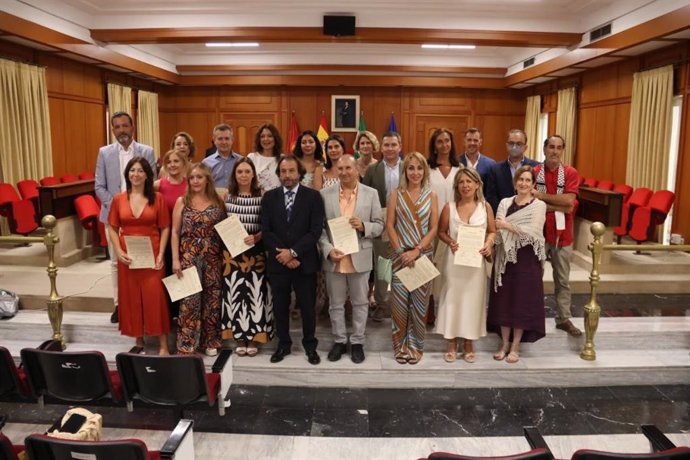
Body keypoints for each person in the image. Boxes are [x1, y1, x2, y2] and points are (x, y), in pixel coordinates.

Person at [261, 156, 325, 365]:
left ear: (299, 173)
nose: (287, 175)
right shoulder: (269, 197)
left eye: (291, 171)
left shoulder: (313, 197)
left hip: (304, 263)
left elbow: (315, 231)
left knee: (307, 307)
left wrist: (294, 253)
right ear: (279, 174)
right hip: (278, 263)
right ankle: (283, 345)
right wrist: (284, 255)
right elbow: (266, 230)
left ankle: (310, 346)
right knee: (280, 307)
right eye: (283, 171)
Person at [319, 155, 383, 363]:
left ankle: (357, 342)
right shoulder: (324, 194)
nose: (344, 172)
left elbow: (379, 225)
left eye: (348, 168)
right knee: (336, 304)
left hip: (359, 256)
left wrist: (364, 226)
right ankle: (339, 341)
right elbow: (319, 229)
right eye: (340, 168)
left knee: (360, 303)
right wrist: (328, 249)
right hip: (335, 258)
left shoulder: (371, 194)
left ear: (357, 170)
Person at [95, 112, 157, 324]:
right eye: (117, 127)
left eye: (125, 126)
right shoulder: (104, 153)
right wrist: (118, 208)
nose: (121, 130)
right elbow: (99, 186)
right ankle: (119, 304)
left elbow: (152, 182)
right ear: (112, 130)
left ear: (132, 127)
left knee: (142, 260)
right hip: (114, 216)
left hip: (142, 216)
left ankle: (140, 303)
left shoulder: (146, 151)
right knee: (116, 261)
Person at [107, 157, 170, 355]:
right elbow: (112, 227)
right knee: (132, 297)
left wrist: (161, 253)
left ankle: (163, 345)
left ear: (147, 175)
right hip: (128, 255)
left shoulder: (157, 198)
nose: (136, 174)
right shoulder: (118, 199)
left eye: (140, 171)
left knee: (155, 297)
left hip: (152, 254)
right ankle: (139, 339)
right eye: (132, 170)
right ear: (127, 174)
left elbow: (165, 227)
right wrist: (118, 250)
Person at [434, 168, 495, 363]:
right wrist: (450, 241)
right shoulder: (449, 207)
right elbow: (441, 232)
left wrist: (488, 244)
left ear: (477, 184)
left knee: (472, 301)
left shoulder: (486, 207)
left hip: (475, 264)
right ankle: (451, 342)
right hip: (454, 262)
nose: (465, 185)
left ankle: (469, 343)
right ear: (456, 186)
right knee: (452, 298)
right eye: (461, 182)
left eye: (469, 181)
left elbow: (492, 231)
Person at [488, 165, 547, 364]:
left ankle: (515, 346)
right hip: (505, 258)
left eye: (528, 180)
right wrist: (510, 227)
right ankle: (504, 344)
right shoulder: (505, 202)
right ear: (515, 183)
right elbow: (497, 226)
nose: (523, 183)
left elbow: (533, 232)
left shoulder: (539, 206)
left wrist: (507, 226)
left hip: (527, 261)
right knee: (504, 300)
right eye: (520, 179)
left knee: (521, 301)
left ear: (533, 185)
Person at [386, 151, 439, 365]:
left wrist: (416, 251)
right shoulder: (396, 194)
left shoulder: (431, 195)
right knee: (398, 306)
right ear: (405, 171)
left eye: (419, 168)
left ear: (424, 171)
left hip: (422, 256)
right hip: (400, 256)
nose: (415, 172)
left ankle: (416, 347)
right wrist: (401, 252)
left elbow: (434, 227)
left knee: (419, 307)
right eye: (411, 168)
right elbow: (390, 225)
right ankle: (400, 346)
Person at [171, 163, 225, 355]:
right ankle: (187, 343)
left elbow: (226, 228)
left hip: (213, 257)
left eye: (199, 177)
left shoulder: (218, 200)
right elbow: (175, 232)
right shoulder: (182, 201)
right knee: (189, 302)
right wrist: (175, 260)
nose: (195, 181)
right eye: (192, 177)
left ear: (207, 179)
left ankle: (210, 341)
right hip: (189, 256)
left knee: (212, 300)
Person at [221, 158, 273, 357]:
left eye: (247, 171)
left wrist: (257, 236)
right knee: (235, 296)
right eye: (239, 171)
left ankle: (254, 338)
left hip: (256, 253)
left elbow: (268, 225)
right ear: (235, 174)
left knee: (255, 295)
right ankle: (239, 337)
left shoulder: (263, 196)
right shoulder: (228, 197)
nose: (243, 175)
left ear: (253, 174)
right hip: (232, 255)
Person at [532, 135, 582, 337]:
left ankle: (563, 318)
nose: (554, 151)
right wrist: (557, 204)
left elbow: (569, 203)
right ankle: (533, 317)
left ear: (563, 151)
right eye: (551, 147)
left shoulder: (570, 173)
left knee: (563, 279)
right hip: (539, 234)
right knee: (534, 278)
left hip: (563, 235)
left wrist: (542, 198)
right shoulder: (534, 172)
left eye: (559, 147)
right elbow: (529, 203)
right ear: (544, 149)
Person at [362, 131, 403, 321]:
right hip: (381, 224)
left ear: (399, 147)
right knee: (382, 266)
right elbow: (367, 198)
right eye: (386, 145)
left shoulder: (408, 167)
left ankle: (401, 305)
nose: (390, 149)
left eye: (393, 145)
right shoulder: (373, 170)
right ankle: (381, 304)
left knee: (403, 264)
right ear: (381, 147)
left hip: (404, 224)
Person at [427, 128, 461, 326]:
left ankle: (449, 311)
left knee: (450, 270)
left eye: (447, 141)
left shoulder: (460, 168)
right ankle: (429, 308)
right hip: (431, 227)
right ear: (434, 145)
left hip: (455, 228)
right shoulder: (427, 169)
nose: (444, 145)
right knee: (431, 268)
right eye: (439, 141)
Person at [154, 149, 189, 319]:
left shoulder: (190, 184)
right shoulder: (158, 185)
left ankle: (181, 313)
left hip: (185, 237)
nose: (173, 165)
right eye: (169, 162)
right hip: (163, 238)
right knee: (166, 274)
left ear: (184, 164)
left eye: (176, 161)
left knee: (182, 276)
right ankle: (168, 314)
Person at [485, 128, 539, 213]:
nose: (514, 147)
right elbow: (491, 198)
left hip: (529, 216)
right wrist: (504, 214)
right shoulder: (495, 169)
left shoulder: (536, 167)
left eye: (519, 144)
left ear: (525, 147)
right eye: (511, 143)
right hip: (502, 217)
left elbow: (538, 194)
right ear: (506, 145)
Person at [202, 123, 242, 190]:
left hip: (236, 199)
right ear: (214, 140)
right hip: (213, 199)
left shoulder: (241, 161)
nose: (224, 142)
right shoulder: (206, 163)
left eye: (227, 138)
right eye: (220, 139)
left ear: (232, 140)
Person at [459, 128, 496, 196]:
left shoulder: (491, 164)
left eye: (475, 140)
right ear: (464, 142)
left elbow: (492, 192)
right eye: (469, 140)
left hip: (482, 204)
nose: (472, 143)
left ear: (480, 142)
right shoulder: (456, 163)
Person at [247, 123, 283, 192]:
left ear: (275, 138)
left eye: (270, 136)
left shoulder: (282, 159)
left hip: (276, 199)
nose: (266, 139)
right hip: (255, 199)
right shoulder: (252, 157)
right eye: (262, 136)